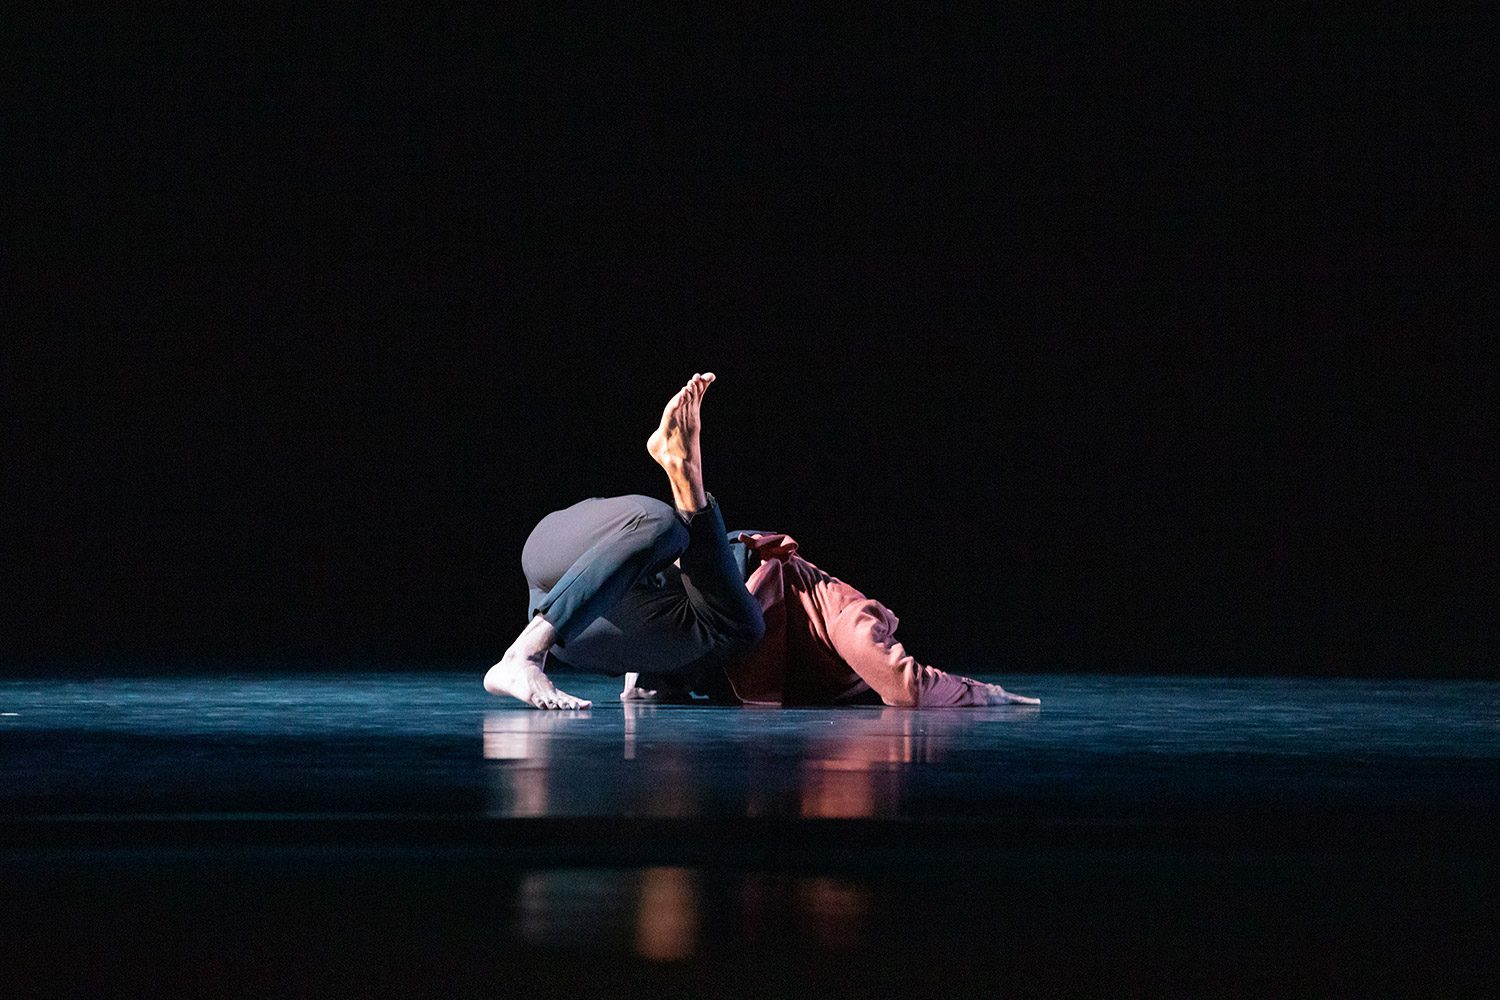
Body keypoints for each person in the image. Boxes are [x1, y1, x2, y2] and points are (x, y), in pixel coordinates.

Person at [483, 372, 1040, 710]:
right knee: (711, 585)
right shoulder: (838, 606)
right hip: (601, 572)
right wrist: (984, 694)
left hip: (580, 604)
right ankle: (521, 654)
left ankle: (684, 494)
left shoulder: (722, 641)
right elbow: (906, 684)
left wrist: (652, 674)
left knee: (680, 552)